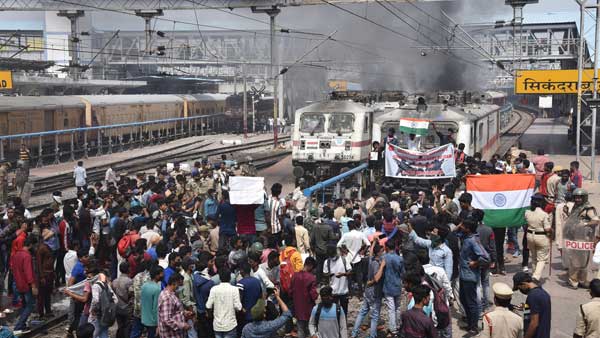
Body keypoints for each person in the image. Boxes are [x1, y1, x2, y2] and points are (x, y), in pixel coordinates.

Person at [457, 217, 490, 337]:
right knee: (463, 299)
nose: (461, 227)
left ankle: (474, 327)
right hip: (463, 274)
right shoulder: (466, 237)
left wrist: (475, 263)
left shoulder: (473, 241)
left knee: (471, 302)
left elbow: (486, 257)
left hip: (470, 276)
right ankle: (470, 323)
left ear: (468, 229)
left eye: (463, 226)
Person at [563, 188, 600, 289]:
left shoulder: (588, 208)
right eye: (576, 197)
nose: (578, 199)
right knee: (577, 260)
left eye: (580, 197)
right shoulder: (576, 207)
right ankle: (578, 280)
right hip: (574, 238)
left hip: (583, 239)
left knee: (580, 261)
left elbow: (596, 220)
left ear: (584, 198)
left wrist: (584, 224)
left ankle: (577, 280)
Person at [373, 239, 405, 337]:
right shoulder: (400, 259)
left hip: (387, 286)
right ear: (395, 247)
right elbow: (403, 273)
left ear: (386, 247)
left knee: (391, 308)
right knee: (398, 307)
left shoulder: (384, 258)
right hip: (397, 285)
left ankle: (393, 329)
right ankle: (398, 325)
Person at [352, 241, 383, 338]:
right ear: (378, 253)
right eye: (382, 251)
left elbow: (370, 253)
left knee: (363, 311)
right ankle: (372, 336)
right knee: (374, 316)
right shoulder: (377, 264)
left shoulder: (371, 259)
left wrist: (373, 242)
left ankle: (354, 333)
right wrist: (382, 266)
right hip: (374, 292)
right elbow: (377, 278)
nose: (383, 253)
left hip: (367, 291)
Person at [205, 267, 242, 338]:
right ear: (230, 277)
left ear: (219, 277)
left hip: (217, 325)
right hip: (230, 324)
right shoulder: (234, 289)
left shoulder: (214, 289)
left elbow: (208, 306)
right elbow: (238, 307)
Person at [513, 271, 551, 338]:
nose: (520, 291)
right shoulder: (543, 293)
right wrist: (526, 307)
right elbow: (539, 310)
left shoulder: (533, 296)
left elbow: (534, 323)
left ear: (524, 284)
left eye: (519, 288)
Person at [524, 193, 552, 282]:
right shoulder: (544, 214)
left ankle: (534, 274)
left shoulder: (527, 212)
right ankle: (536, 277)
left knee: (534, 257)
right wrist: (552, 233)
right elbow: (547, 229)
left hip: (529, 236)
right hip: (541, 236)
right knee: (542, 258)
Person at [12, 236, 36, 332]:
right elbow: (28, 272)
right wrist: (33, 285)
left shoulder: (16, 255)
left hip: (18, 283)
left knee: (24, 305)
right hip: (26, 285)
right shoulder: (27, 256)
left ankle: (22, 325)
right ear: (30, 245)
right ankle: (19, 325)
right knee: (30, 305)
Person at [291, 257, 318, 338]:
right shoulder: (311, 278)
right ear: (310, 266)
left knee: (300, 330)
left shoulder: (295, 276)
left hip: (298, 309)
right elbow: (313, 295)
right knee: (311, 330)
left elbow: (290, 291)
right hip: (308, 309)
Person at [158, 273, 191, 338]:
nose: (179, 287)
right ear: (174, 283)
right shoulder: (168, 297)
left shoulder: (171, 294)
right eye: (179, 284)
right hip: (171, 334)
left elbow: (173, 311)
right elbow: (166, 319)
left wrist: (183, 313)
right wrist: (183, 325)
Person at [323, 244, 352, 317]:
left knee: (344, 311)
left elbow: (350, 272)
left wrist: (343, 274)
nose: (333, 258)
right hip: (333, 292)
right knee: (333, 312)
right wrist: (330, 275)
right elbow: (325, 274)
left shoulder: (343, 259)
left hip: (343, 291)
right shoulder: (327, 262)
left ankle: (343, 326)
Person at [89, 272, 118, 338]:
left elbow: (95, 300)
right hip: (106, 314)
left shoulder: (95, 286)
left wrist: (92, 310)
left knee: (94, 333)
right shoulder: (107, 285)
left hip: (97, 314)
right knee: (104, 332)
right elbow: (116, 300)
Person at [141, 265, 164, 338]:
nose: (163, 275)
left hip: (145, 318)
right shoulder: (157, 289)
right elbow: (156, 309)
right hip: (153, 322)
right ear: (157, 275)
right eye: (161, 273)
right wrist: (158, 324)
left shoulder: (144, 286)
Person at [112, 262, 133, 338]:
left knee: (120, 325)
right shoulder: (129, 281)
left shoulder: (114, 281)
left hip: (117, 307)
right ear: (128, 269)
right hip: (127, 307)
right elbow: (131, 294)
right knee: (127, 326)